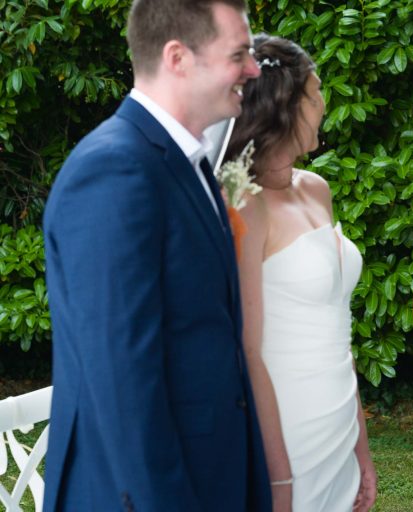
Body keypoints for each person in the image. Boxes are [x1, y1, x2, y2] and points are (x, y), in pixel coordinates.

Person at [41, 1, 270, 510]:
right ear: (177, 57)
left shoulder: (187, 164)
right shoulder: (114, 171)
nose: (254, 70)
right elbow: (122, 382)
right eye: (240, 54)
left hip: (210, 479)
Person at [223, 34, 377, 512]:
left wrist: (362, 451)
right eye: (316, 92)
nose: (324, 101)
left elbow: (337, 329)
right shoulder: (243, 200)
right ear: (284, 106)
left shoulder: (318, 189)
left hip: (338, 416)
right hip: (288, 428)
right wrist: (279, 478)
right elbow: (248, 350)